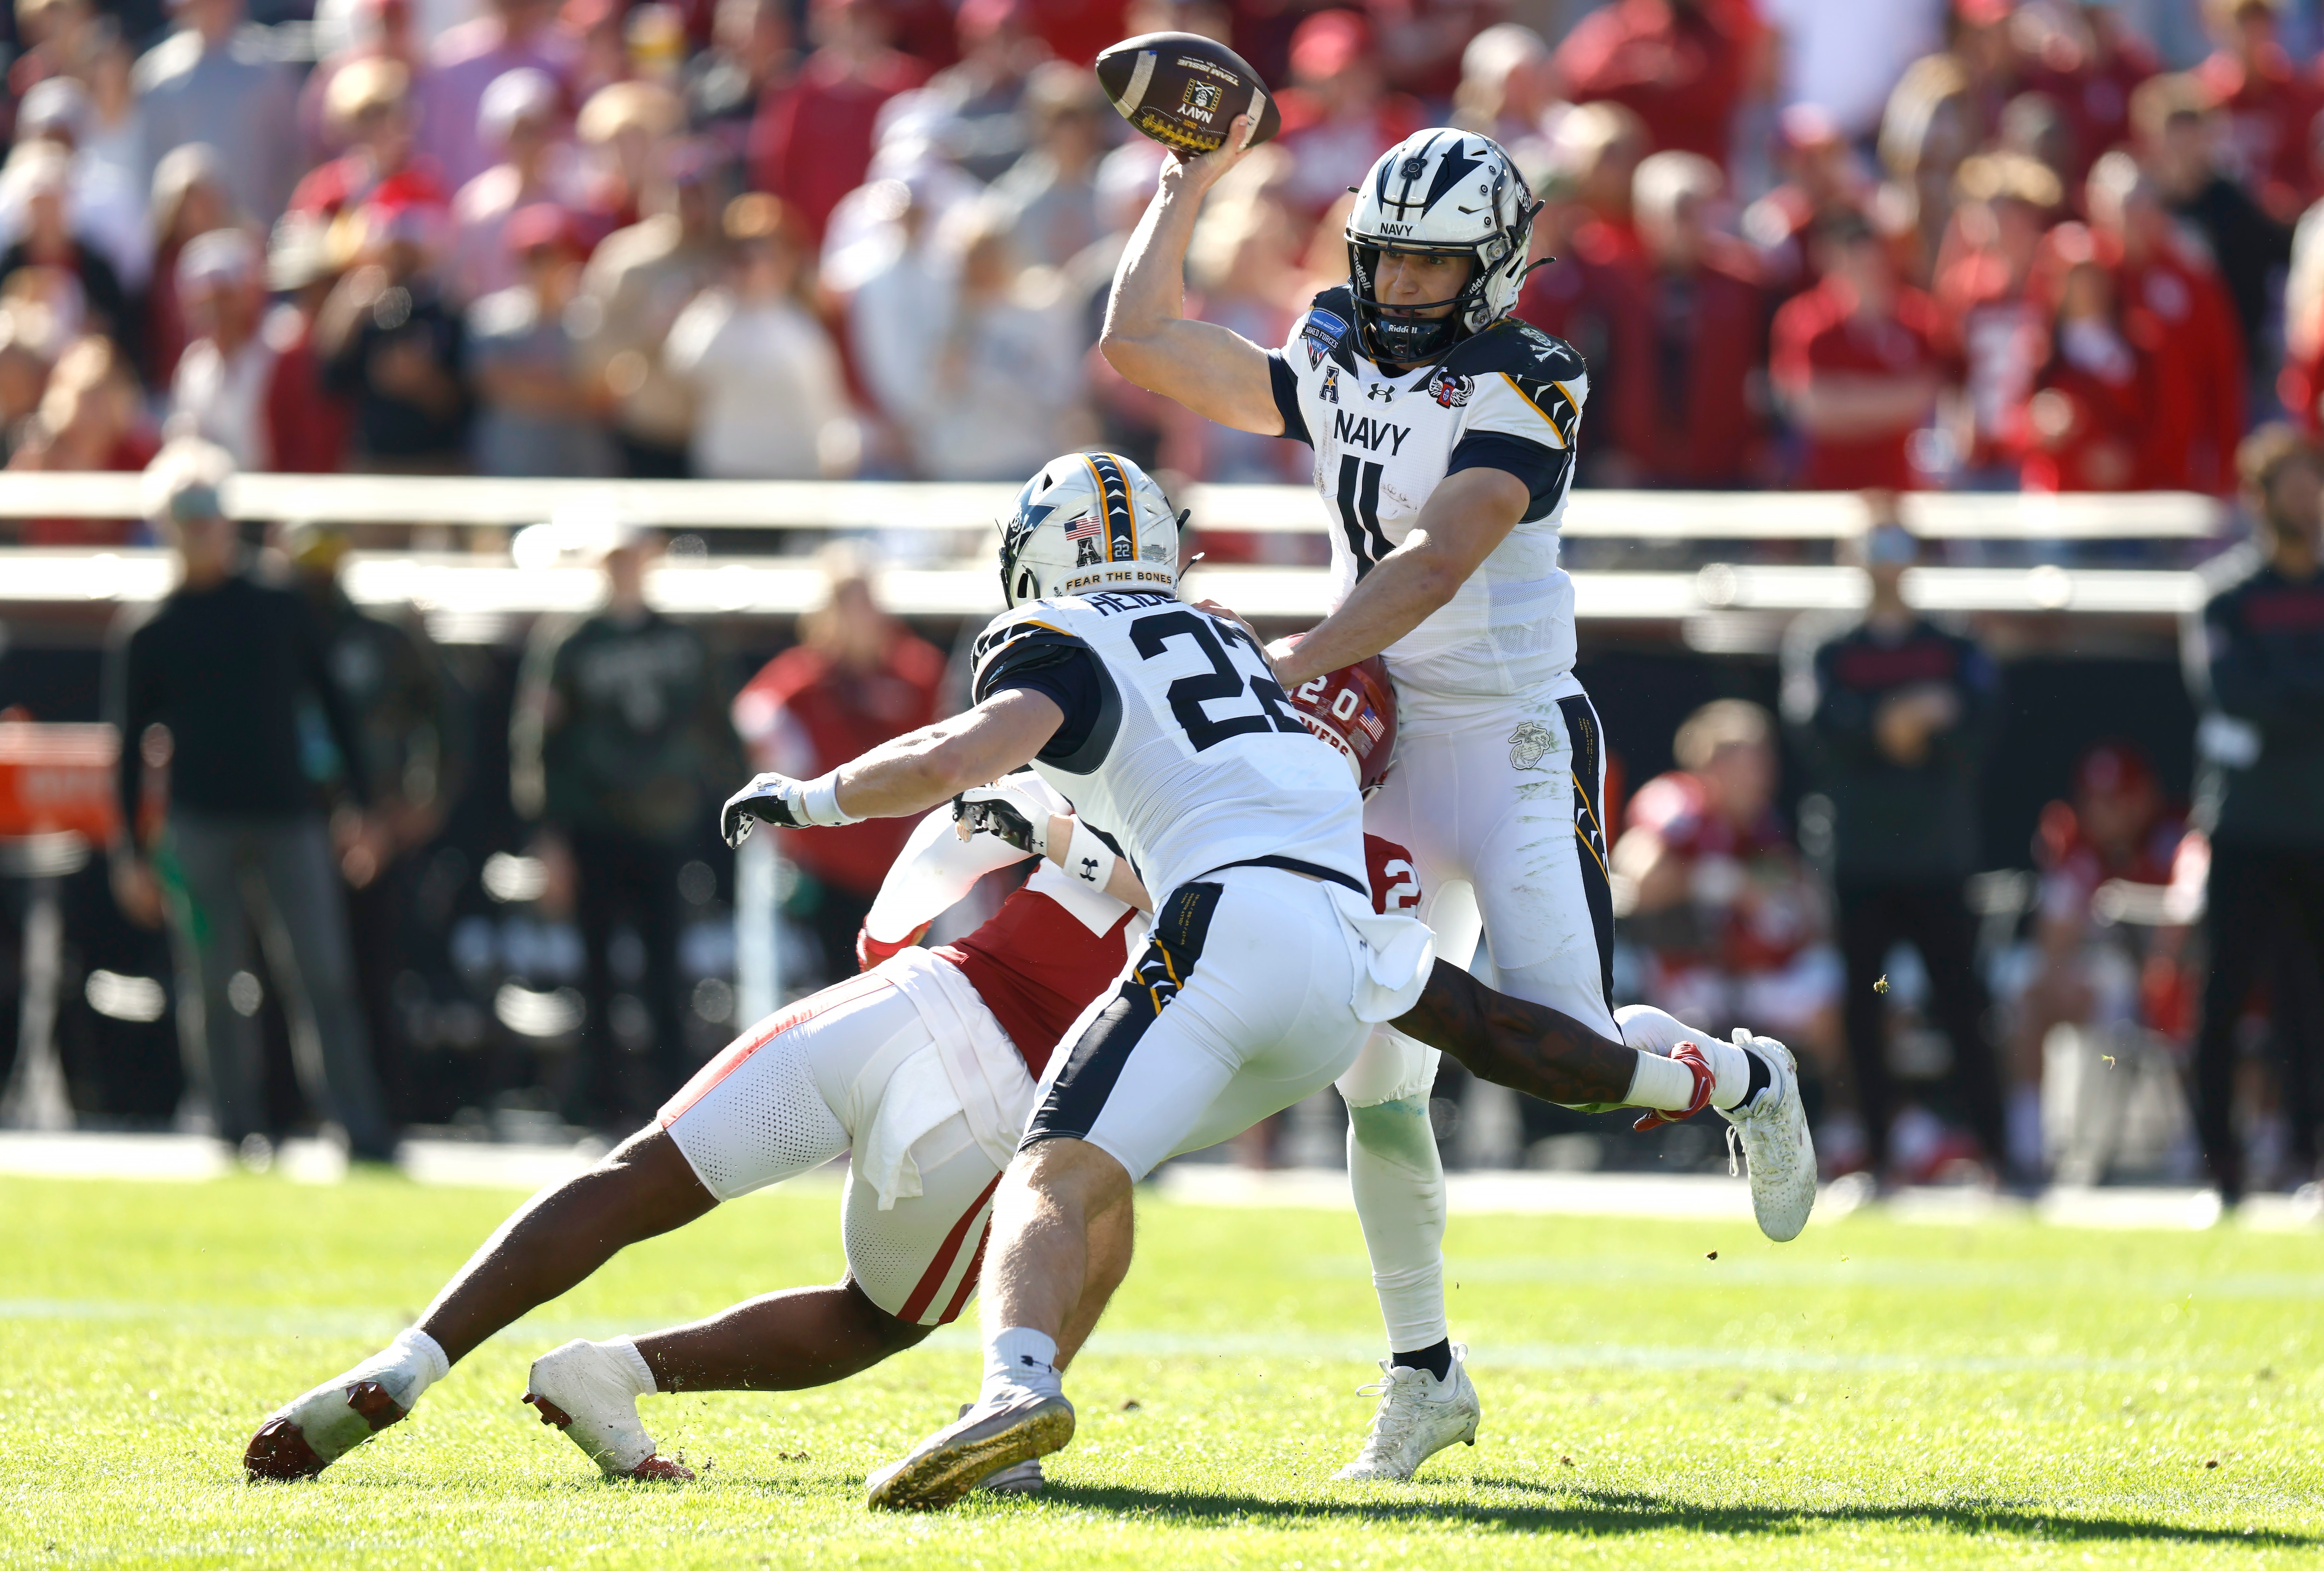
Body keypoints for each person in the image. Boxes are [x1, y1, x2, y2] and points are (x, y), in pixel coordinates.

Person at [242, 658, 1736, 1489]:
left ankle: (414, 1359)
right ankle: (985, 1420)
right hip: (1011, 1083)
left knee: (637, 1170)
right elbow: (1394, 1017)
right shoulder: (1317, 824)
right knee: (947, 1282)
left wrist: (922, 865)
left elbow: (942, 842)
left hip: (910, 993)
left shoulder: (1146, 737)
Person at [716, 450, 1799, 1510]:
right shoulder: (1232, 641)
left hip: (1228, 928)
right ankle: (1724, 1086)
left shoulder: (1054, 633)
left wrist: (813, 801)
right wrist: (1066, 841)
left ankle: (1015, 1390)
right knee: (1501, 1049)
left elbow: (960, 756)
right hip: (1346, 935)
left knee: (1053, 1169)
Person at [1099, 122, 1816, 1483]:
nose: (1399, 289)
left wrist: (1288, 661)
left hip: (1508, 739)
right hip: (1379, 747)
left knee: (1566, 1054)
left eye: (1430, 269)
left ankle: (1738, 1074)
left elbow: (1435, 559)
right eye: (1384, 260)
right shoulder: (1330, 340)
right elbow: (1140, 342)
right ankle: (1423, 1370)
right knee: (1379, 1075)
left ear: (1490, 271)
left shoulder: (1530, 376)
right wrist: (1180, 184)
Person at [102, 440, 392, 1163]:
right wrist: (129, 852)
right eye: (187, 512)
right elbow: (128, 745)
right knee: (212, 980)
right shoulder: (151, 628)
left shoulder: (278, 604)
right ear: (164, 524)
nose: (202, 526)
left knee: (322, 973)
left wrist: (363, 806)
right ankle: (232, 1126)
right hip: (198, 825)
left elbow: (332, 706)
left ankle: (356, 1126)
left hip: (290, 816)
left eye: (212, 509)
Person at [1782, 511, 2008, 1186]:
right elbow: (1820, 726)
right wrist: (1902, 717)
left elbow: (1978, 724)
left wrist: (1905, 724)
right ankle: (1877, 1153)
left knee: (1964, 1004)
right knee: (1863, 1008)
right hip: (1861, 860)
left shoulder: (1953, 641)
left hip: (1939, 858)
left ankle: (1998, 1152)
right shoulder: (1826, 645)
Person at [510, 523, 742, 1130]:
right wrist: (548, 836)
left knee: (668, 966)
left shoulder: (684, 641)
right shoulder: (571, 643)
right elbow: (539, 743)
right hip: (594, 826)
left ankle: (674, 1100)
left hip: (665, 826)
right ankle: (604, 1101)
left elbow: (717, 728)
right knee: (598, 970)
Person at [280, 519, 469, 1125]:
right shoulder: (272, 639)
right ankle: (284, 1107)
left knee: (375, 972)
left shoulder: (381, 641)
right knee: (287, 974)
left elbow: (441, 725)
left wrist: (416, 807)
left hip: (377, 831)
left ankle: (380, 1109)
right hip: (291, 828)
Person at [2183, 425, 2324, 1207]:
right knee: (2225, 997)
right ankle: (2221, 1163)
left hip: (2317, 825)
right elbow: (2233, 694)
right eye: (2293, 486)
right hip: (2244, 825)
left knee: (2312, 1002)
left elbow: (2265, 699)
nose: (2309, 500)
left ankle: (2308, 1150)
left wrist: (2284, 700)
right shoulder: (2226, 595)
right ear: (2261, 499)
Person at [727, 548, 942, 986]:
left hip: (906, 861)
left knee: (912, 985)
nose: (860, 615)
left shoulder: (915, 671)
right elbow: (754, 715)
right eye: (847, 602)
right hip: (832, 865)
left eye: (865, 600)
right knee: (838, 984)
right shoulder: (805, 677)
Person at [1612, 700, 1842, 1091]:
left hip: (1745, 972)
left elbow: (1795, 894)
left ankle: (1852, 1128)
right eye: (1748, 764)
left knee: (1863, 988)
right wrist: (1720, 881)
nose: (1762, 777)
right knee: (1830, 1012)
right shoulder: (1678, 804)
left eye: (1765, 763)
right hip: (1690, 977)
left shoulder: (1760, 821)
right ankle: (1857, 1124)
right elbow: (1635, 879)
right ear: (1711, 765)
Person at [660, 193, 857, 480]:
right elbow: (684, 365)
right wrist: (727, 300)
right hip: (731, 470)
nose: (760, 266)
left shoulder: (800, 322)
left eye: (770, 255)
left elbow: (824, 398)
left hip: (796, 471)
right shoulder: (716, 313)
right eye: (748, 256)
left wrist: (839, 449)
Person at [571, 145, 725, 479]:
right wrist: (654, 329)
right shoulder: (629, 261)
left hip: (724, 432)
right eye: (683, 194)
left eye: (702, 193)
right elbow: (594, 347)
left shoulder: (732, 253)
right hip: (652, 424)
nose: (692, 205)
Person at [1769, 207, 1947, 492]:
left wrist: (1845, 397)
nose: (1867, 268)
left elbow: (1924, 399)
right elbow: (1810, 410)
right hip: (1824, 489)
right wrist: (1893, 402)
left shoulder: (1919, 315)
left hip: (1900, 491)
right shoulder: (1804, 319)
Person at [465, 203, 618, 477]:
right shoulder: (491, 319)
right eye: (534, 259)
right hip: (512, 470)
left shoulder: (592, 321)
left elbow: (603, 397)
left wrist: (530, 383)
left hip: (579, 470)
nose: (544, 269)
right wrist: (568, 392)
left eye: (554, 256)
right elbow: (495, 384)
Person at [316, 205, 472, 473]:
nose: (398, 258)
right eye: (393, 249)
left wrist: (424, 383)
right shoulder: (363, 306)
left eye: (406, 249)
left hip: (435, 462)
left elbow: (467, 401)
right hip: (375, 459)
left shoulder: (446, 310)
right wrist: (345, 308)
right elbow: (329, 380)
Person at [134, 0, 303, 225]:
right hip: (187, 244)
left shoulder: (269, 69)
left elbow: (293, 158)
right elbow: (150, 169)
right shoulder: (157, 78)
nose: (208, 9)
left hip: (259, 233)